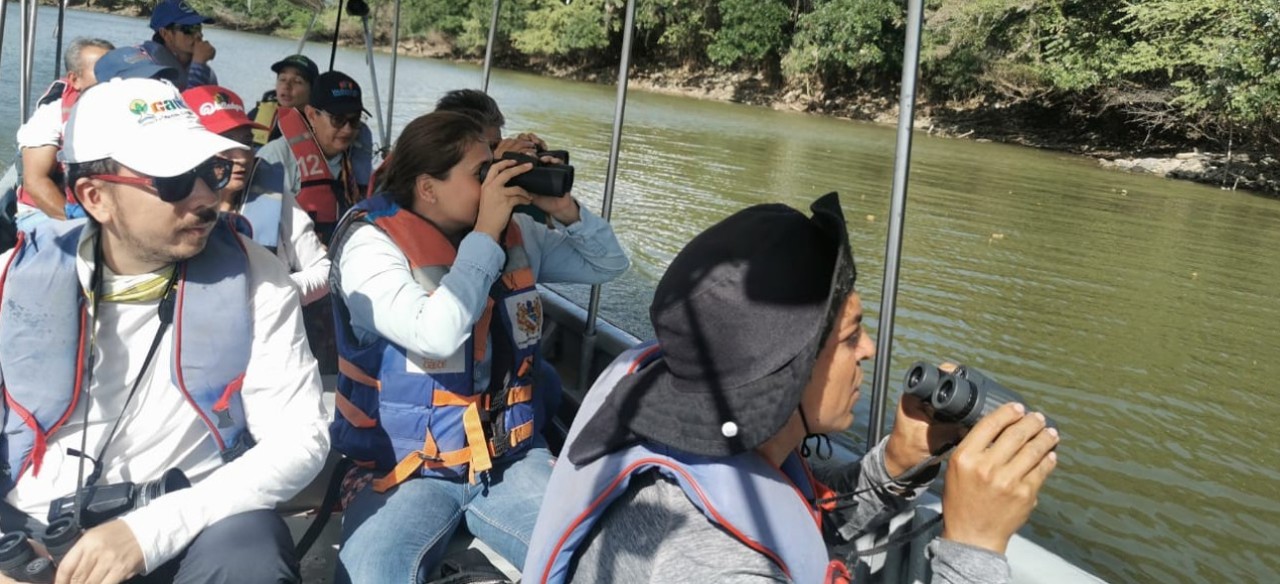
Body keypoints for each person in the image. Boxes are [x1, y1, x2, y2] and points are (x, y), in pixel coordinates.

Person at [522, 193, 1061, 584]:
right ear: (789, 369)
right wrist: (973, 548)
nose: (870, 351)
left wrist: (900, 460)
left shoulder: (712, 441)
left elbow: (803, 508)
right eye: (851, 337)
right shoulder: (710, 564)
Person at [0, 78, 330, 583]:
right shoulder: (10, 282)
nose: (206, 199)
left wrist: (152, 531)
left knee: (252, 553)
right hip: (30, 533)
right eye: (174, 181)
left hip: (187, 521)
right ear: (96, 197)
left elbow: (299, 438)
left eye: (211, 171)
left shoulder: (256, 278)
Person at [329, 110, 630, 583]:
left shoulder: (515, 233)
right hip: (407, 469)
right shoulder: (371, 246)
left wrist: (564, 210)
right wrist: (484, 233)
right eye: (480, 173)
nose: (494, 183)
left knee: (605, 565)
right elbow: (436, 333)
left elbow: (608, 264)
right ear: (428, 187)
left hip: (507, 460)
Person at [184, 84, 331, 306]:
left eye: (246, 142)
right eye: (225, 143)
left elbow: (323, 270)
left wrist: (276, 294)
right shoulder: (168, 205)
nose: (242, 157)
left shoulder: (275, 194)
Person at [254, 70, 372, 244]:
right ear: (311, 115)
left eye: (354, 120)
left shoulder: (358, 162)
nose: (347, 129)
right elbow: (258, 230)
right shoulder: (275, 157)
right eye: (338, 119)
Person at [12, 38, 113, 232]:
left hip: (102, 209)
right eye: (101, 70)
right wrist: (78, 222)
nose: (111, 77)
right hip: (44, 212)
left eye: (115, 69)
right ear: (75, 79)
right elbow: (35, 181)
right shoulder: (50, 116)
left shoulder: (123, 110)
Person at [141, 0, 218, 90]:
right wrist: (199, 65)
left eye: (198, 27)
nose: (199, 34)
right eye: (188, 29)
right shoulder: (147, 70)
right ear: (165, 34)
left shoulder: (207, 75)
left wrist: (199, 65)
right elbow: (185, 103)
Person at [248, 54, 320, 148]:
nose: (286, 86)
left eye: (297, 81)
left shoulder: (321, 125)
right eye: (282, 79)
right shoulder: (256, 114)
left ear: (313, 89)